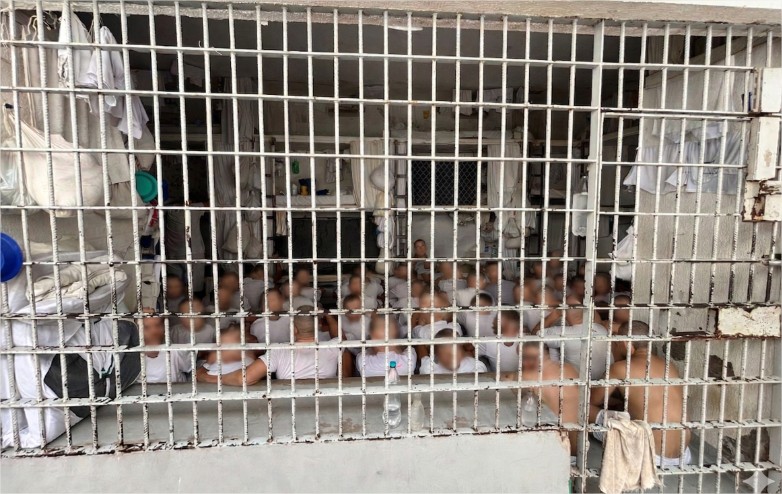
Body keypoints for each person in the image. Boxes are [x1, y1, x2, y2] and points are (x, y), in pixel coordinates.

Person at [589, 321, 691, 466]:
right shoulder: (669, 365)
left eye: (616, 342)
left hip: (649, 455)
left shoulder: (620, 368)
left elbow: (594, 400)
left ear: (626, 344)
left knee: (584, 409)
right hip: (683, 455)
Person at [197, 307, 352, 384]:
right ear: (318, 327)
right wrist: (328, 316)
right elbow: (340, 337)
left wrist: (209, 377)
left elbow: (246, 378)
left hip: (290, 408)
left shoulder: (279, 351)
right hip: (325, 406)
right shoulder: (332, 347)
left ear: (294, 329)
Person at [504, 342, 580, 456]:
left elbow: (508, 382)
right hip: (579, 444)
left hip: (557, 446)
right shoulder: (569, 369)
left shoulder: (529, 377)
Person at [542, 295, 611, 381]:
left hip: (576, 382)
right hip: (602, 380)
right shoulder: (602, 329)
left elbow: (536, 334)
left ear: (565, 315)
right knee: (553, 346)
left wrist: (554, 315)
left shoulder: (562, 332)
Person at [140, 309, 192, 383]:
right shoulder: (129, 357)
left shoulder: (175, 352)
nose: (154, 331)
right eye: (146, 327)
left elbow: (201, 359)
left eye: (157, 325)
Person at [419, 329, 487, 374]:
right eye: (445, 354)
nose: (451, 358)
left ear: (462, 352)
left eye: (455, 352)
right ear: (437, 354)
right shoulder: (428, 369)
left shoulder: (476, 367)